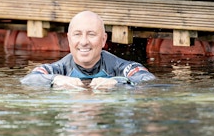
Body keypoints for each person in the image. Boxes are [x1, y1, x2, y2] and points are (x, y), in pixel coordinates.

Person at [20, 11, 156, 88]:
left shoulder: (119, 67)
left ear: (103, 40)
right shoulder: (59, 69)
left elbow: (148, 79)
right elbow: (28, 80)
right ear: (69, 40)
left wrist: (117, 82)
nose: (84, 42)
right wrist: (55, 79)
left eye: (91, 34)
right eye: (77, 34)